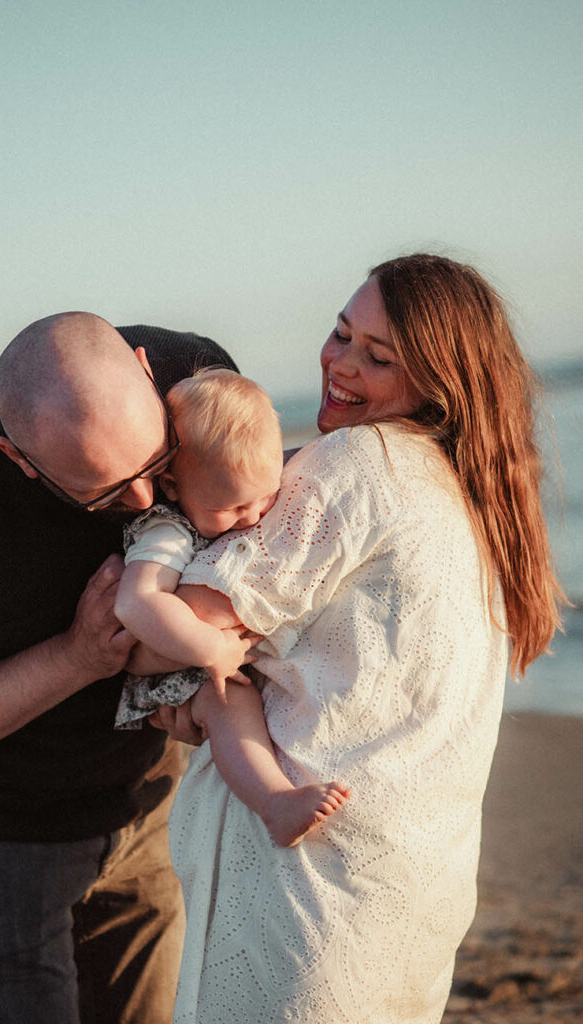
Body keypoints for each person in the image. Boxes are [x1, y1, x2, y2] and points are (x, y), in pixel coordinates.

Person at [144, 254, 562, 1022]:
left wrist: (165, 647)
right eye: (341, 334)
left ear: (438, 383)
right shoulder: (473, 494)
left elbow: (173, 637)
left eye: (378, 357)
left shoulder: (357, 461)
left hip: (303, 896)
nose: (340, 364)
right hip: (412, 896)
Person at [0, 311, 244, 1024]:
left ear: (147, 370)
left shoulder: (198, 380)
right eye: (104, 494)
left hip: (144, 800)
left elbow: (247, 530)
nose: (145, 502)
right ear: (19, 459)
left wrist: (191, 681)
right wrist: (76, 656)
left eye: (157, 463)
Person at [113, 368, 350, 846]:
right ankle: (275, 804)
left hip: (210, 655)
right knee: (230, 702)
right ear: (173, 486)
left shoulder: (230, 488)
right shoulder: (166, 531)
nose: (254, 516)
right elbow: (136, 603)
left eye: (266, 497)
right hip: (176, 665)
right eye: (232, 509)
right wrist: (211, 648)